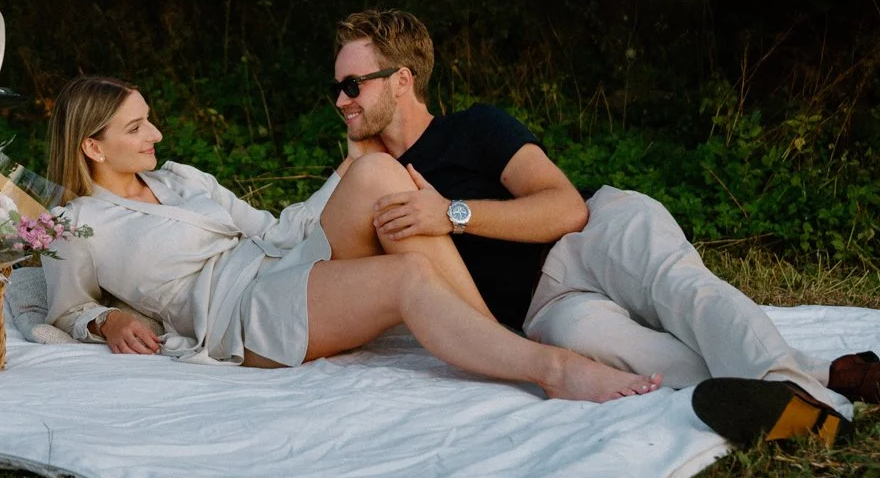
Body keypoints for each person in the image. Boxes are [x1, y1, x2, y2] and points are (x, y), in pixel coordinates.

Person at [327, 8, 880, 447]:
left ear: (402, 80)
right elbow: (351, 277)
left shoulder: (475, 127)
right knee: (644, 360)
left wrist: (453, 213)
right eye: (336, 88)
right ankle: (831, 378)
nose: (340, 99)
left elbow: (565, 207)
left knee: (687, 296)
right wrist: (356, 159)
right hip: (542, 309)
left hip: (593, 234)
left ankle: (798, 402)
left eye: (354, 86)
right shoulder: (373, 179)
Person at [40, 75, 661, 403]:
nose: (157, 132)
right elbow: (63, 307)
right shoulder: (76, 226)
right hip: (238, 315)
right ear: (92, 146)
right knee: (406, 278)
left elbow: (275, 229)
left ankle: (495, 340)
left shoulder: (179, 177)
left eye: (148, 117)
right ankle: (549, 367)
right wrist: (105, 323)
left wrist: (345, 171)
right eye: (137, 126)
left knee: (380, 175)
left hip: (273, 263)